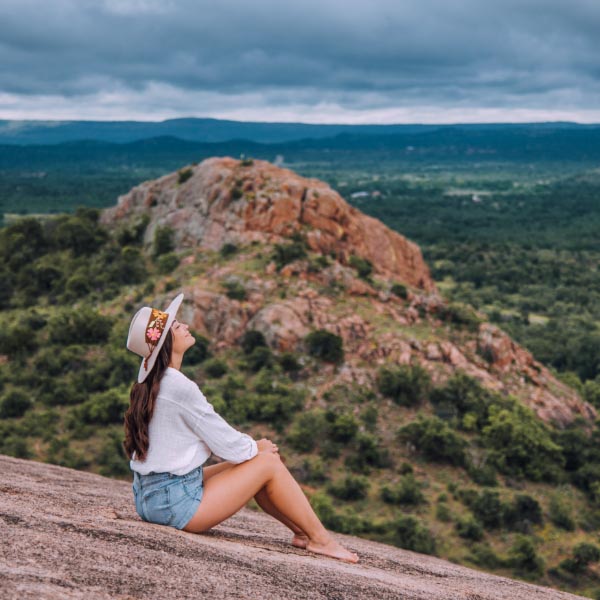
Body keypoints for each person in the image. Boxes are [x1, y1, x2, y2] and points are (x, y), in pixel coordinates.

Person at [123, 292, 359, 564]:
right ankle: (321, 540)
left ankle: (302, 533)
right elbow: (226, 442)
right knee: (267, 463)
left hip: (151, 499)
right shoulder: (178, 386)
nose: (185, 326)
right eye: (177, 326)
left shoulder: (153, 384)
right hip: (174, 505)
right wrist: (256, 446)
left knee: (260, 462)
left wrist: (253, 450)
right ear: (166, 343)